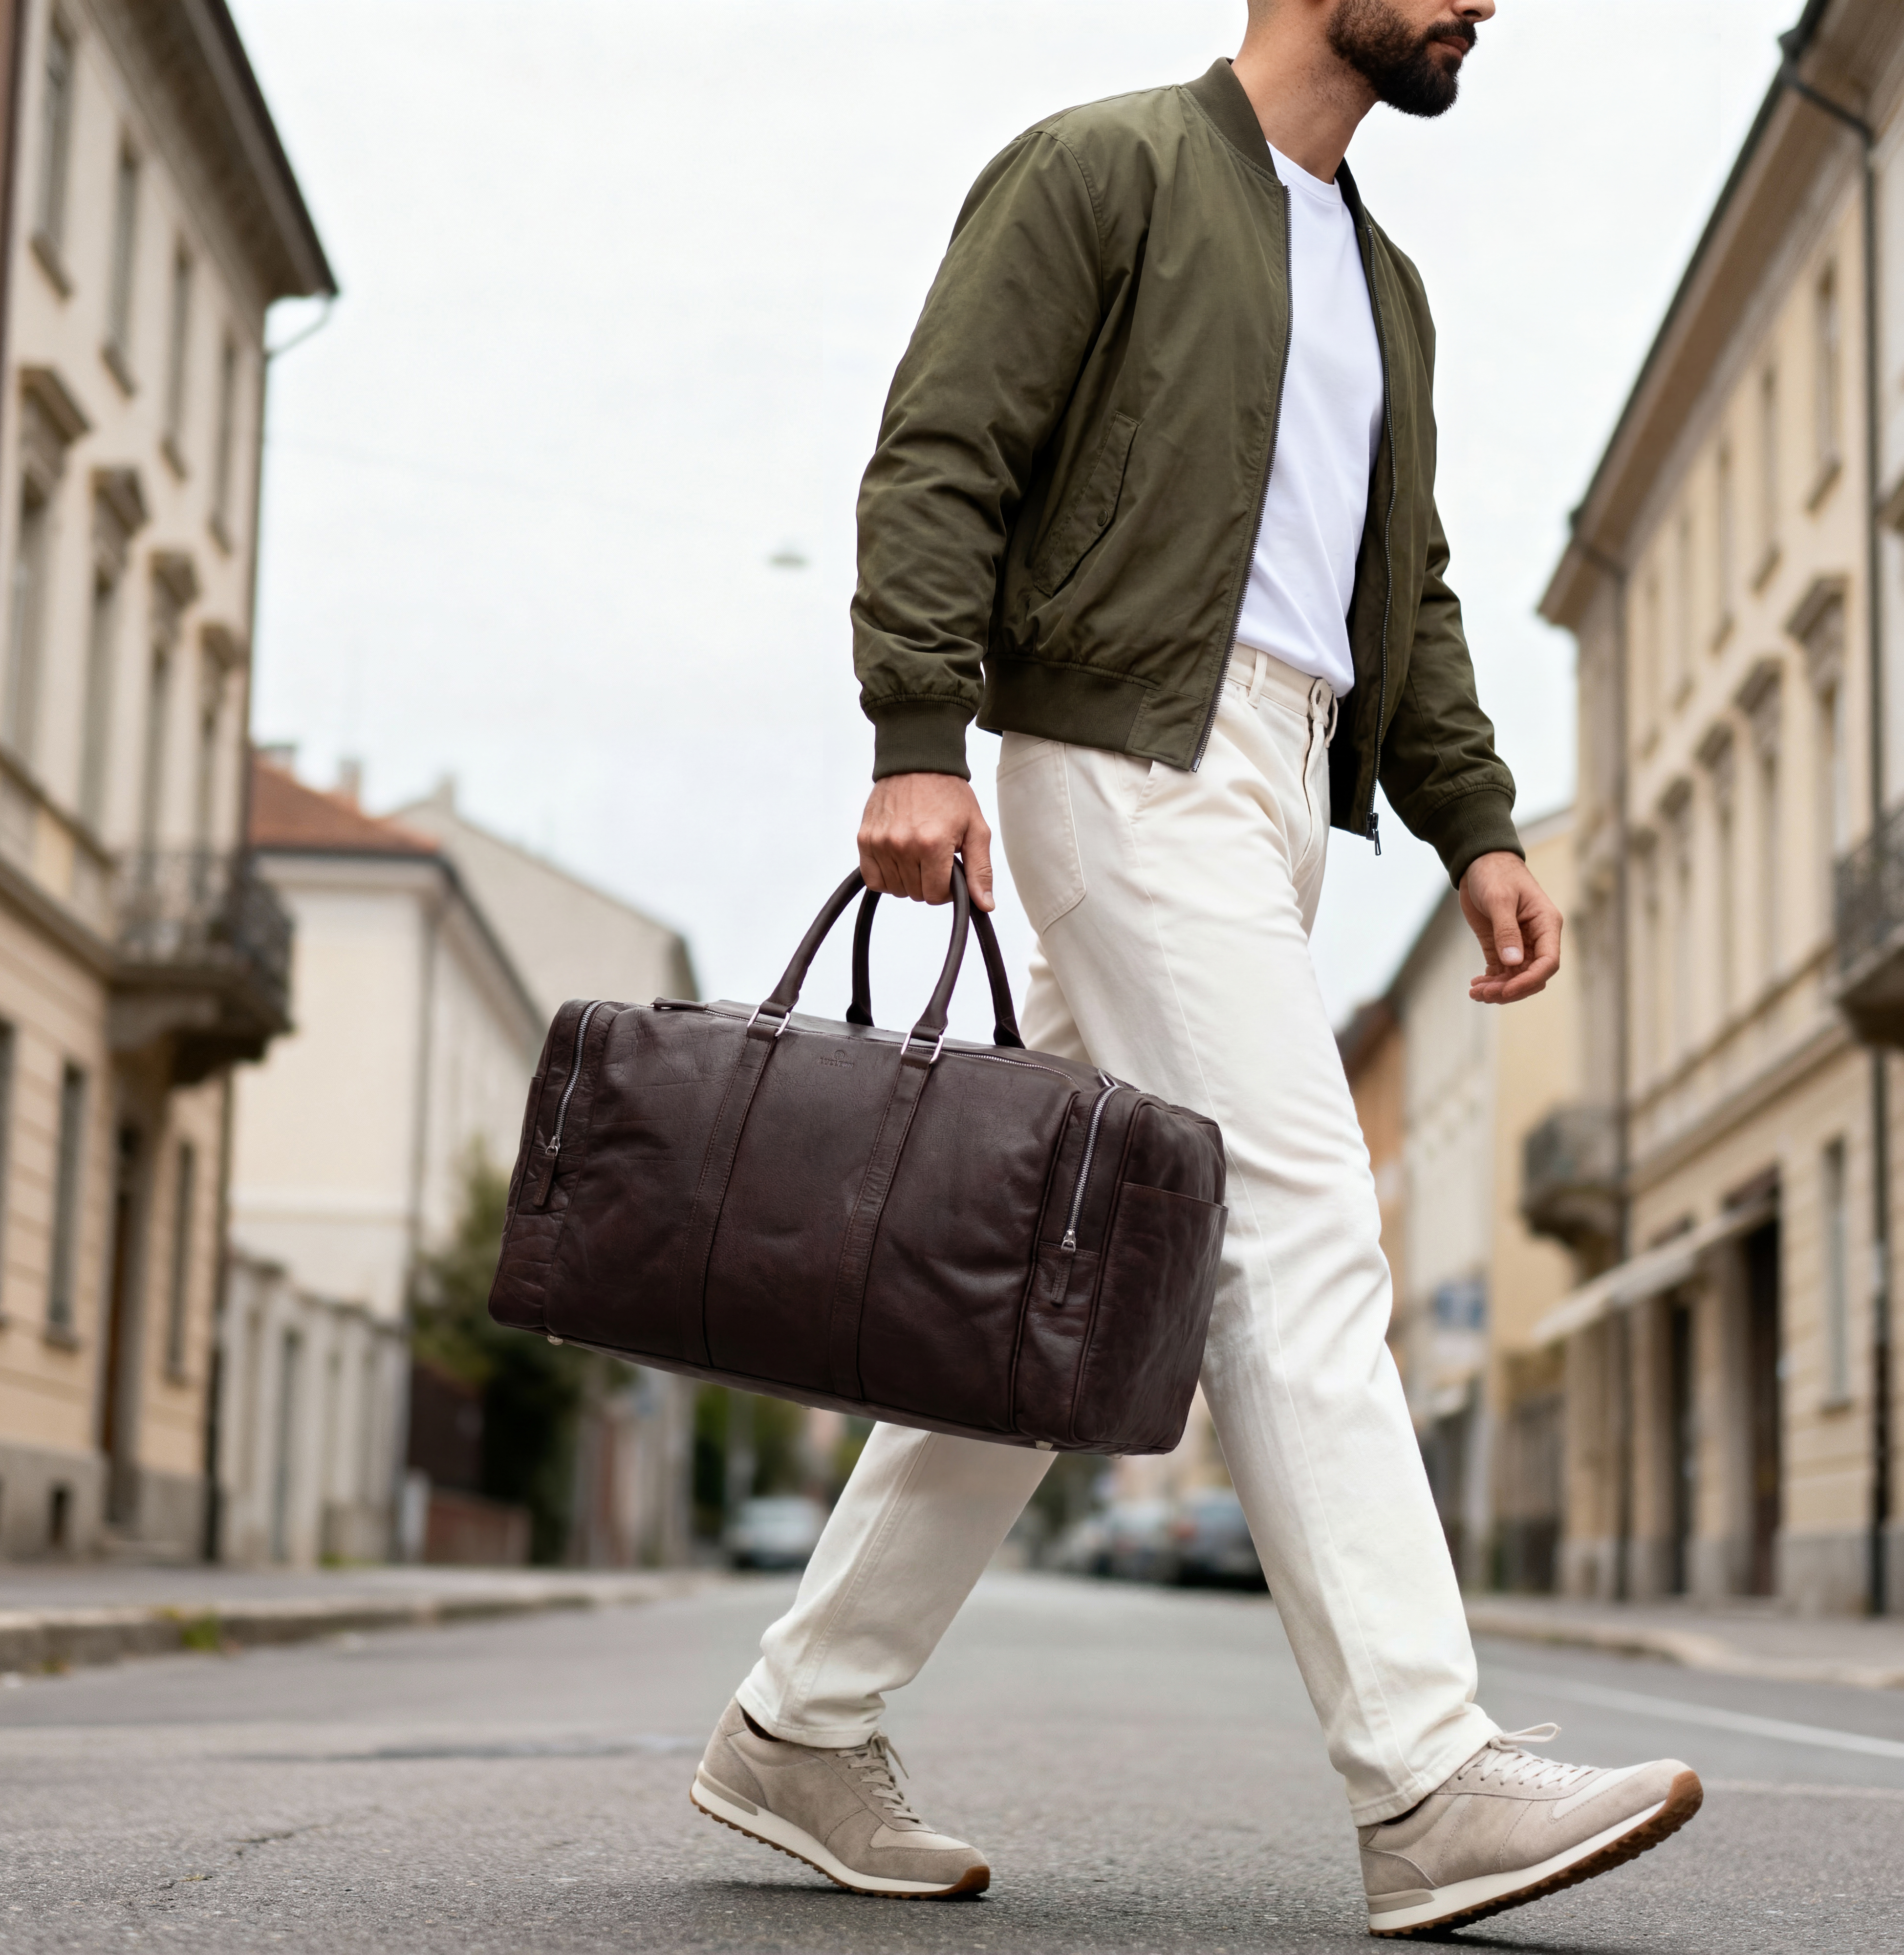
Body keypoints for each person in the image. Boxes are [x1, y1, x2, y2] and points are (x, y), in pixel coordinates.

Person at [692, 0, 1702, 1935]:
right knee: (1296, 1209)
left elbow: (1400, 583)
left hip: (1279, 779)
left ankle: (799, 1725)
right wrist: (917, 735)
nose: (1487, 2)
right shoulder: (1106, 169)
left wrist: (1476, 816)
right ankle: (1424, 1773)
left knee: (1052, 1287)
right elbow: (941, 449)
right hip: (1127, 751)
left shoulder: (1380, 280)